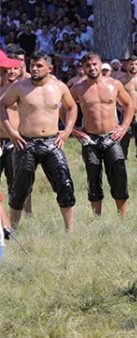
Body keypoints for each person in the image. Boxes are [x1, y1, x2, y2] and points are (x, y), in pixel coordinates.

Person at [0, 51, 78, 233]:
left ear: (49, 68)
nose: (34, 68)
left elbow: (72, 107)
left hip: (52, 143)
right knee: (19, 190)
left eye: (39, 65)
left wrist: (67, 132)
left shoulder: (59, 87)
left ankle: (70, 232)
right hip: (25, 143)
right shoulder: (20, 86)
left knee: (65, 185)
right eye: (32, 65)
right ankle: (15, 231)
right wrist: (11, 132)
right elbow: (2, 105)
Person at [70, 52, 134, 217]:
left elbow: (129, 104)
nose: (92, 68)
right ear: (83, 68)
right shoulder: (78, 88)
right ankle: (96, 218)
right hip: (90, 139)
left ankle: (123, 218)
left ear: (100, 64)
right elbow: (64, 109)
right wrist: (73, 130)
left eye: (94, 64)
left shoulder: (114, 84)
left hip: (111, 137)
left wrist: (124, 127)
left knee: (119, 176)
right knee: (93, 178)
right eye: (88, 66)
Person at [0, 50, 32, 214]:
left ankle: (26, 215)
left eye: (13, 69)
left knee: (19, 181)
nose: (10, 72)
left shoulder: (19, 88)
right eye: (6, 69)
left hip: (15, 140)